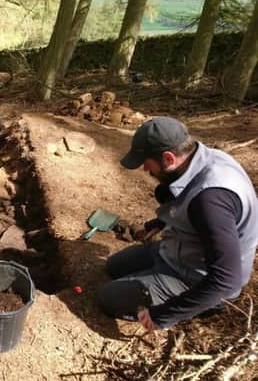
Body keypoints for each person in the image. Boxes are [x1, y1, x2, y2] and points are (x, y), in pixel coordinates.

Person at [98, 117, 258, 332]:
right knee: (113, 266)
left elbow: (226, 281)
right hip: (179, 249)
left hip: (197, 278)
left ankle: (192, 303)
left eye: (147, 161)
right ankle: (156, 275)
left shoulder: (210, 201)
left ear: (168, 157)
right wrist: (160, 221)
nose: (144, 168)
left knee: (108, 298)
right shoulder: (204, 158)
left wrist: (163, 315)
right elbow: (185, 194)